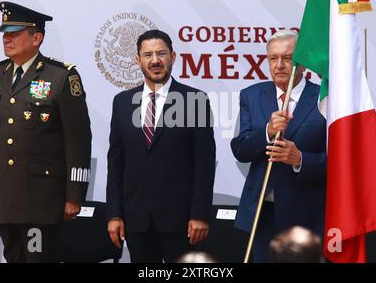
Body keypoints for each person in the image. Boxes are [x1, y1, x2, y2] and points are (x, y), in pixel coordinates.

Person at [0, 1, 92, 263]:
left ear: (37, 38)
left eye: (14, 33)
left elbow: (78, 139)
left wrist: (75, 195)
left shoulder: (61, 76)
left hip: (42, 200)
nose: (7, 39)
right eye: (5, 34)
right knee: (13, 258)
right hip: (2, 197)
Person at [106, 29, 216, 263]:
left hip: (182, 220)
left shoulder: (194, 100)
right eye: (147, 55)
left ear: (173, 57)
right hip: (136, 219)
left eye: (161, 53)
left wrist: (200, 214)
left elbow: (204, 163)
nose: (155, 60)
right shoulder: (122, 102)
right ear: (138, 60)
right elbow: (116, 163)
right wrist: (114, 214)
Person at [231, 29, 326, 263]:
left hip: (308, 212)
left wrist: (300, 159)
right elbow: (241, 149)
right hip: (263, 212)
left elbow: (344, 161)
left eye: (288, 58)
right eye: (273, 58)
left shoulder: (325, 97)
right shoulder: (251, 95)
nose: (280, 65)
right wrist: (267, 131)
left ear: (302, 64)